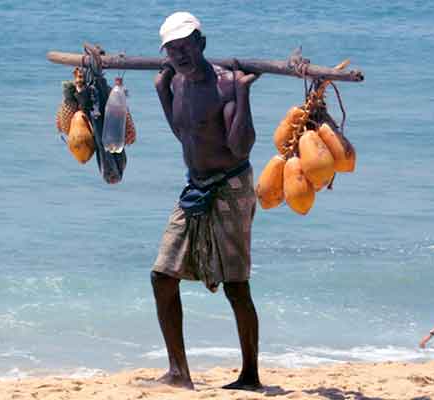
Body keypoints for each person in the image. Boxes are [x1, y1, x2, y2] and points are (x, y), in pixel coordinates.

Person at [150, 11, 262, 391]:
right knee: (163, 275)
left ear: (200, 43)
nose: (179, 55)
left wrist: (244, 94)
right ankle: (179, 372)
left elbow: (240, 145)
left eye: (185, 46)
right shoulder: (175, 83)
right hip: (195, 186)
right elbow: (183, 133)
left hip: (231, 185)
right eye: (172, 50)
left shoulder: (226, 85)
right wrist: (161, 92)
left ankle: (249, 376)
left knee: (236, 284)